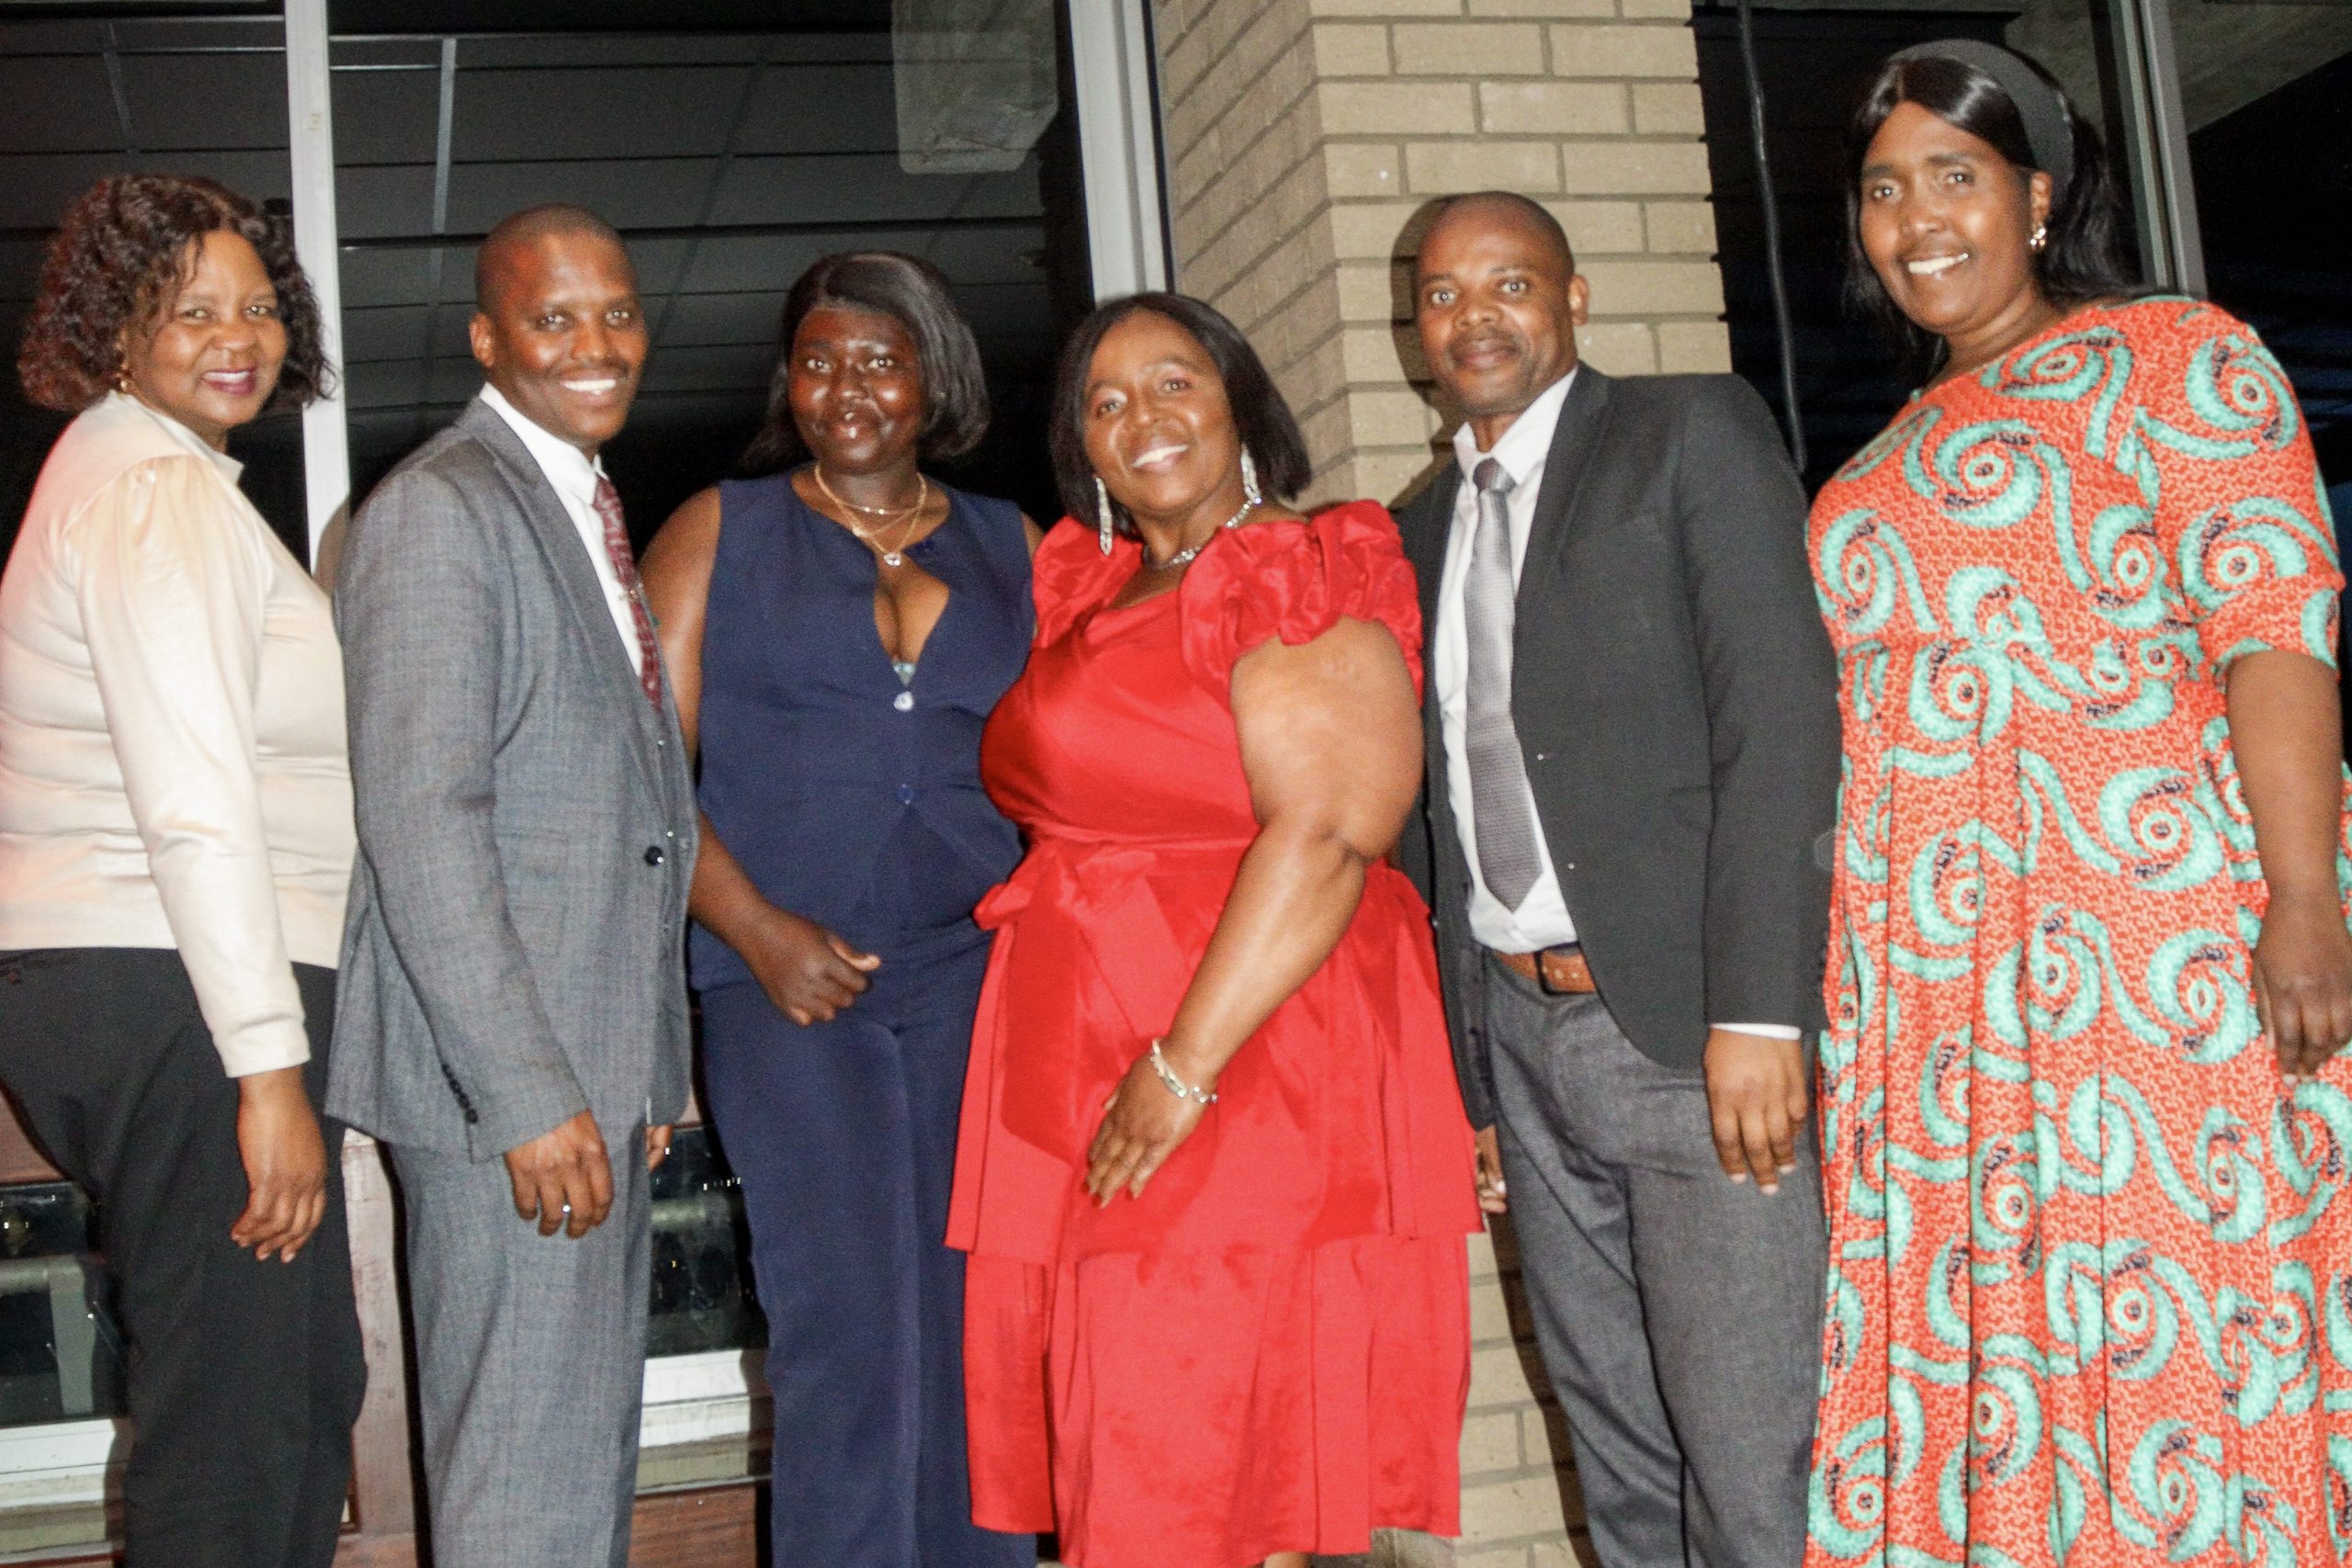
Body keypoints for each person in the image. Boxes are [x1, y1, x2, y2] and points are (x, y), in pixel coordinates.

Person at [1805, 41, 2352, 1568]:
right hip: (1940, 991)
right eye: (1884, 189)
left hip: (2141, 939)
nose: (1917, 218)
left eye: (1955, 175)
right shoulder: (1875, 459)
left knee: (2173, 1300)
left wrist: (2304, 896)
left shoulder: (2175, 355)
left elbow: (2273, 627)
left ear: (2039, 195)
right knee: (2007, 1330)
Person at [948, 292, 1478, 1568]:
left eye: (1174, 382)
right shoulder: (1101, 584)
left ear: (1241, 400)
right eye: (1107, 402)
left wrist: (1182, 1069)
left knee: (1190, 1452)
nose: (1143, 416)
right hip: (1095, 1045)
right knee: (1162, 1453)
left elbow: (1331, 832)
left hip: (1239, 1053)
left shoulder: (1296, 565)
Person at [1395, 191, 1840, 1568]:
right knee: (1624, 1465)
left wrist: (1758, 1011)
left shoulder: (1685, 433)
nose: (1476, 317)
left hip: (1691, 1037)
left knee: (1752, 1467)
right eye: (1445, 294)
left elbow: (1781, 726)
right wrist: (1474, 1080)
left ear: (1574, 299)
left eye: (1510, 284)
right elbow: (1437, 813)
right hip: (1521, 1040)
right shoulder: (1421, 524)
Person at [638, 252, 1037, 1568]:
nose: (845, 388)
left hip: (981, 977)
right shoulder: (720, 528)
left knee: (978, 1325)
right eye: (817, 362)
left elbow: (1070, 753)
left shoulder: (1012, 543)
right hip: (790, 990)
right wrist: (756, 932)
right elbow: (643, 774)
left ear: (934, 377)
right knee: (845, 1331)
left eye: (878, 360)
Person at [0, 174, 365, 1568]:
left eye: (260, 308)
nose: (240, 337)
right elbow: (193, 800)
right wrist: (265, 1072)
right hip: (181, 998)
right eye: (192, 308)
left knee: (299, 1390)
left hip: (165, 988)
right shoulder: (152, 491)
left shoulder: (153, 476)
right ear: (114, 325)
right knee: (238, 1422)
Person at [328, 204, 697, 1568]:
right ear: (488, 339)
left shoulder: (576, 501)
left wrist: (644, 1066)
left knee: (573, 1457)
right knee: (522, 1479)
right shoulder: (441, 510)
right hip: (511, 1096)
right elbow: (423, 825)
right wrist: (531, 1093)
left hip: (587, 1074)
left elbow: (624, 811)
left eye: (618, 313)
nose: (596, 345)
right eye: (554, 318)